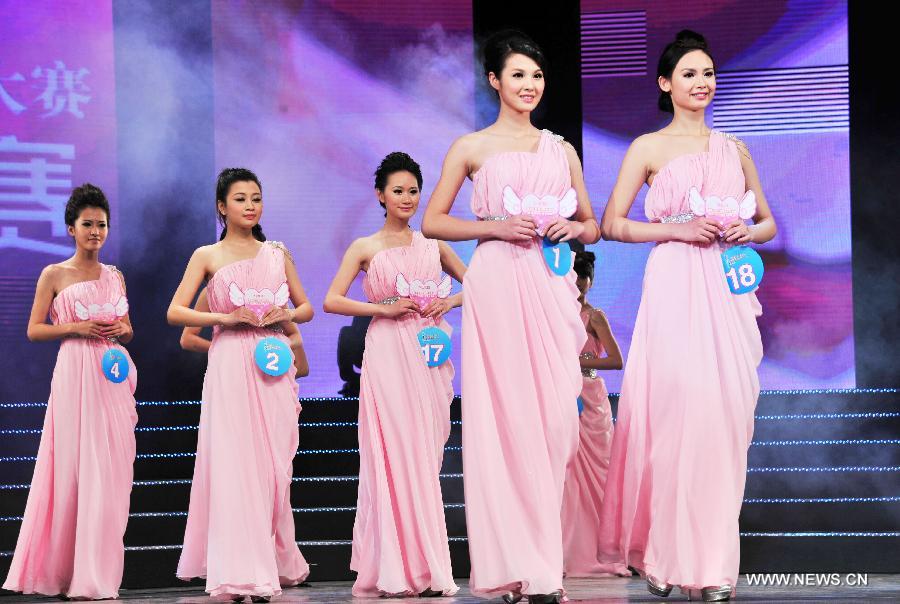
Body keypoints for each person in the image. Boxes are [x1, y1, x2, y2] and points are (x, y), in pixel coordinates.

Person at [422, 30, 601, 604]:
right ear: (495, 80)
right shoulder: (470, 147)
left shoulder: (561, 149)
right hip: (497, 280)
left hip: (551, 284)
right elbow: (434, 222)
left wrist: (572, 229)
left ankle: (541, 560)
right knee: (507, 421)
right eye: (518, 75)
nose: (530, 85)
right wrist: (493, 227)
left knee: (554, 424)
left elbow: (591, 223)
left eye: (537, 76)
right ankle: (525, 572)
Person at [597, 30, 777, 602]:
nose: (702, 84)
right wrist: (677, 229)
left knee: (724, 423)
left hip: (727, 288)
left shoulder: (736, 149)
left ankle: (715, 567)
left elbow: (769, 222)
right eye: (690, 74)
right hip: (675, 282)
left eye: (709, 73)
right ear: (665, 83)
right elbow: (612, 223)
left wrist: (747, 231)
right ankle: (664, 555)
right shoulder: (647, 148)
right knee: (677, 419)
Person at [167, 168, 314, 601]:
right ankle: (240, 572)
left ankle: (265, 561)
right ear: (221, 206)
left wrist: (282, 316)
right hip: (231, 362)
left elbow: (305, 307)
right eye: (240, 198)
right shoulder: (207, 255)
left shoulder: (276, 253)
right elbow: (176, 313)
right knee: (236, 468)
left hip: (272, 364)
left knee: (273, 469)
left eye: (256, 198)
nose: (250, 205)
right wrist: (223, 319)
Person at [323, 152, 466, 597]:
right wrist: (379, 309)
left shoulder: (434, 244)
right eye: (398, 191)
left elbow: (478, 281)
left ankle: (424, 564)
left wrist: (450, 302)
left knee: (425, 459)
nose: (407, 198)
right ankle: (398, 568)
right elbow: (331, 300)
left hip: (429, 355)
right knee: (393, 455)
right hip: (386, 354)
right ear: (380, 195)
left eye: (413, 191)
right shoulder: (365, 247)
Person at [3, 184, 137, 600]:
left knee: (111, 469)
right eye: (87, 224)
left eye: (101, 225)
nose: (95, 232)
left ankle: (96, 571)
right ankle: (66, 571)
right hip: (74, 371)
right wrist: (75, 328)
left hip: (111, 374)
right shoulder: (54, 274)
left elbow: (129, 328)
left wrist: (121, 330)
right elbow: (34, 329)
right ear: (71, 228)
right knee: (76, 465)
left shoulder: (115, 276)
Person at [560, 251, 627, 578]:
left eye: (585, 278)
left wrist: (578, 363)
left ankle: (603, 551)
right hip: (563, 394)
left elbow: (616, 361)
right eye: (575, 277)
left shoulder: (595, 316)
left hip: (590, 396)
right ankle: (566, 552)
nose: (580, 284)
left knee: (599, 474)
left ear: (591, 280)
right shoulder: (555, 312)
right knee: (566, 474)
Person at [180, 287, 309, 377]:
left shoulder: (271, 294)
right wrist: (229, 353)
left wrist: (267, 363)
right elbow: (188, 339)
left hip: (270, 380)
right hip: (233, 377)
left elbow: (302, 367)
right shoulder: (213, 291)